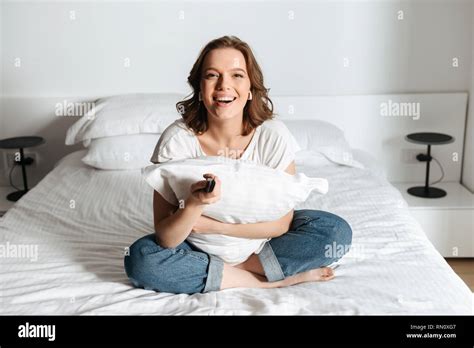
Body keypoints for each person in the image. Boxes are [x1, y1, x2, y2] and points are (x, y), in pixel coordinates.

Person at [124, 36, 352, 294]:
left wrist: (216, 226)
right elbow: (167, 237)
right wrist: (195, 205)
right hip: (194, 248)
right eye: (212, 75)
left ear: (251, 89)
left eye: (237, 75)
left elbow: (280, 225)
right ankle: (268, 279)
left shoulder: (272, 135)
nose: (224, 85)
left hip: (260, 245)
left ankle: (230, 270)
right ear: (199, 86)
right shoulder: (177, 140)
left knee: (335, 232)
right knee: (141, 258)